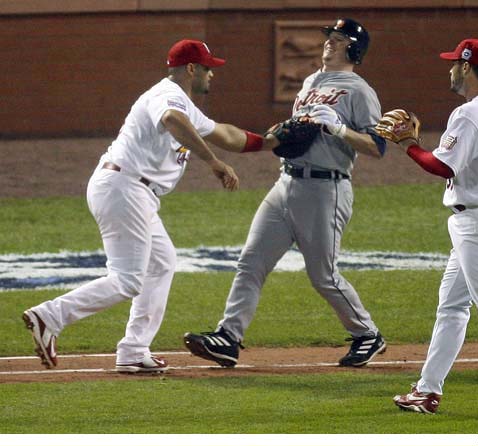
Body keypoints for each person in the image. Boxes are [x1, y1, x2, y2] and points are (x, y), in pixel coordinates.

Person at [23, 39, 277, 374]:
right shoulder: (168, 96)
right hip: (125, 187)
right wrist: (213, 162)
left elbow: (226, 134)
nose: (211, 75)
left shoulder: (185, 105)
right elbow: (172, 119)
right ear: (190, 69)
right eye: (207, 68)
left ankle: (133, 350)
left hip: (130, 190)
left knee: (161, 263)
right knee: (128, 279)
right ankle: (50, 316)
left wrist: (273, 140)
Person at [183, 18, 388, 368]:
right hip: (286, 184)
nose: (329, 43)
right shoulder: (311, 81)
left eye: (338, 40)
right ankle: (228, 338)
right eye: (330, 38)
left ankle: (368, 334)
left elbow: (377, 146)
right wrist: (281, 131)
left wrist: (339, 129)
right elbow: (297, 131)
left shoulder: (359, 91)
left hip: (326, 188)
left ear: (354, 49)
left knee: (323, 275)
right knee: (250, 261)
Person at [376, 38, 478, 421]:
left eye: (454, 63)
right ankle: (427, 391)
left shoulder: (469, 113)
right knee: (451, 306)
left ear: (467, 67)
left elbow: (442, 167)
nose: (450, 69)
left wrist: (410, 145)